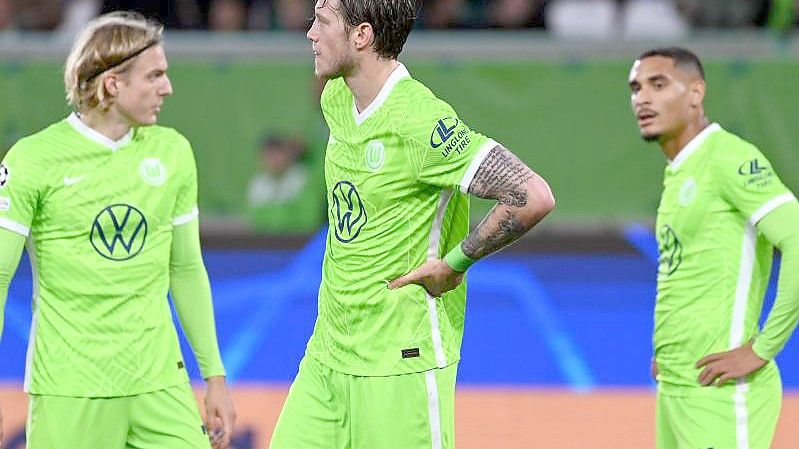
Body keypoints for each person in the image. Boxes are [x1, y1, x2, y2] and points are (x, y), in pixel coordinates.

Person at [268, 1, 555, 448]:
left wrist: (455, 263)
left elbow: (532, 195)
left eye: (322, 22)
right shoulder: (335, 97)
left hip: (400, 362)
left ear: (361, 36)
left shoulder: (422, 121)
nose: (310, 33)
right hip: (327, 355)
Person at [0, 11, 236, 449]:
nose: (167, 87)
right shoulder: (34, 159)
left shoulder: (173, 152)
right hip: (71, 387)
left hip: (159, 383)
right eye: (155, 76)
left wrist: (214, 376)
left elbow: (185, 268)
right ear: (112, 84)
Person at [628, 47, 799, 449]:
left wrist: (763, 348)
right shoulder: (680, 170)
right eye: (635, 88)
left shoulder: (729, 158)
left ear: (695, 93)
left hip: (720, 393)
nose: (643, 98)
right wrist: (670, 354)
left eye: (658, 84)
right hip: (677, 387)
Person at [246, 134, 323, 234]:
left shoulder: (303, 179)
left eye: (278, 153)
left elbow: (308, 219)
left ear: (288, 154)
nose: (274, 160)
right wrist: (289, 211)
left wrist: (273, 214)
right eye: (269, 155)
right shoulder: (258, 184)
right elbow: (255, 220)